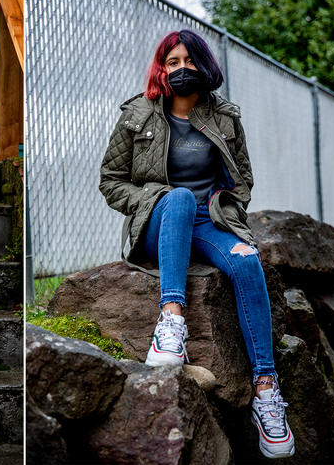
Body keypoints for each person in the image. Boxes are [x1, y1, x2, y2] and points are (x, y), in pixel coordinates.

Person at [99, 29, 294, 459]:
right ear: (161, 69)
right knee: (180, 198)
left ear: (203, 65)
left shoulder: (224, 116)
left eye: (189, 60)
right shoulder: (138, 113)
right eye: (172, 62)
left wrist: (230, 215)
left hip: (209, 222)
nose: (181, 68)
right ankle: (171, 323)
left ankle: (265, 390)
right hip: (159, 219)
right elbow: (111, 183)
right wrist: (155, 199)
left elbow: (241, 180)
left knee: (246, 262)